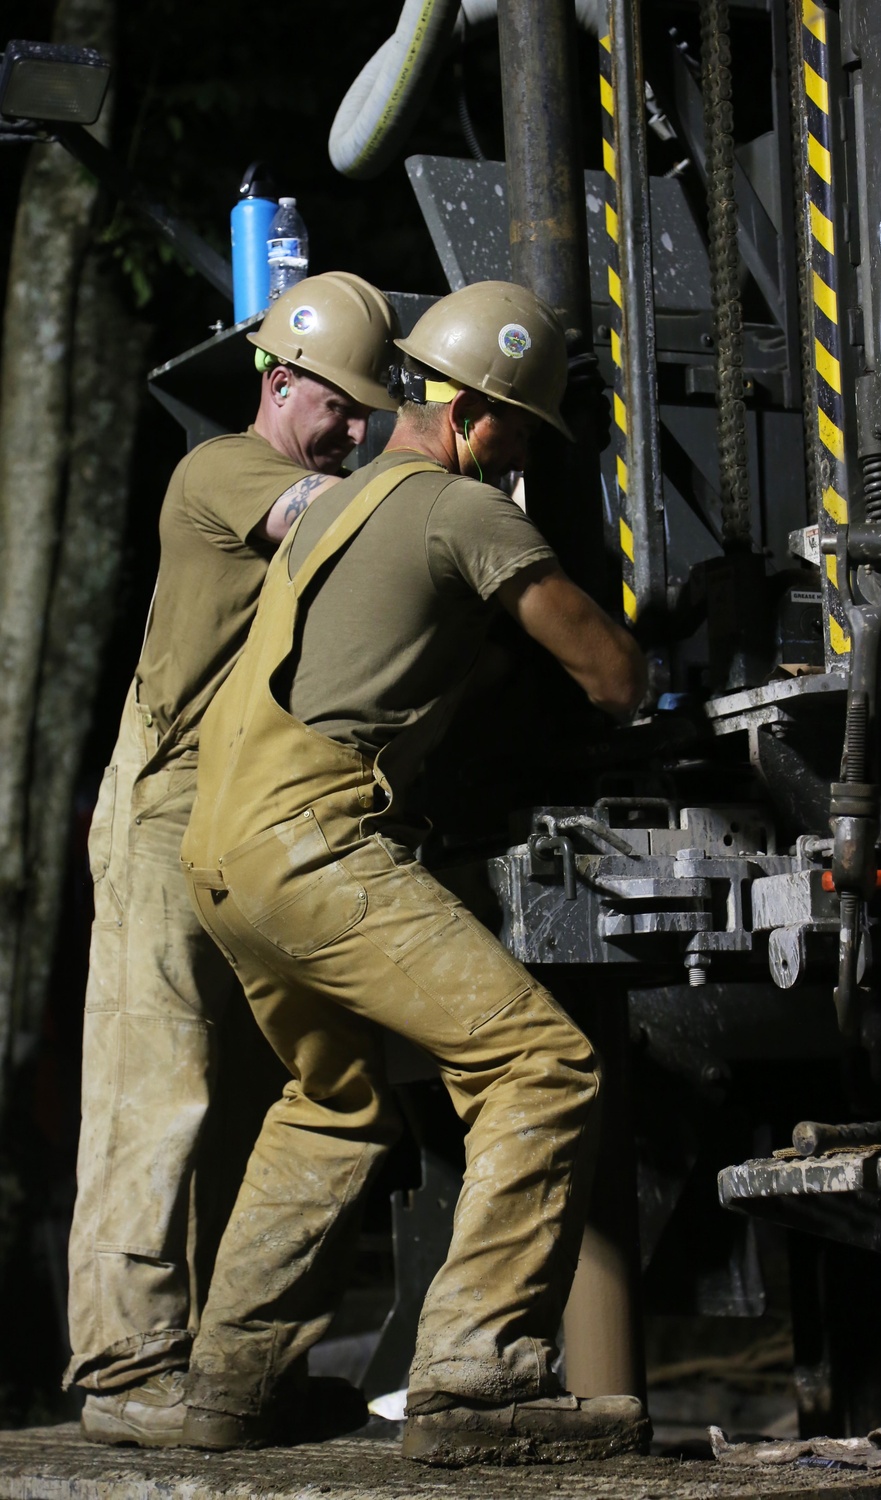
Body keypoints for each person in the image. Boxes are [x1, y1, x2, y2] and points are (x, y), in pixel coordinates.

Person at [176, 279, 651, 1465]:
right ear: (484, 417)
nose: (521, 454)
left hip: (223, 847)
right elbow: (613, 680)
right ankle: (475, 1380)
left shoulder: (345, 500)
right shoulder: (463, 509)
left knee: (331, 1101)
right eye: (525, 434)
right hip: (317, 842)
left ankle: (229, 1386)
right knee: (541, 1066)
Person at [66, 273, 400, 1448]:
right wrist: (443, 443)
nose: (356, 428)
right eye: (341, 406)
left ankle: (228, 1369)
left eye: (371, 409)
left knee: (271, 1086)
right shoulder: (221, 471)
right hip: (167, 804)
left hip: (258, 819)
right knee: (155, 1082)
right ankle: (124, 1365)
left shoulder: (335, 471)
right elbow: (343, 529)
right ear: (278, 380)